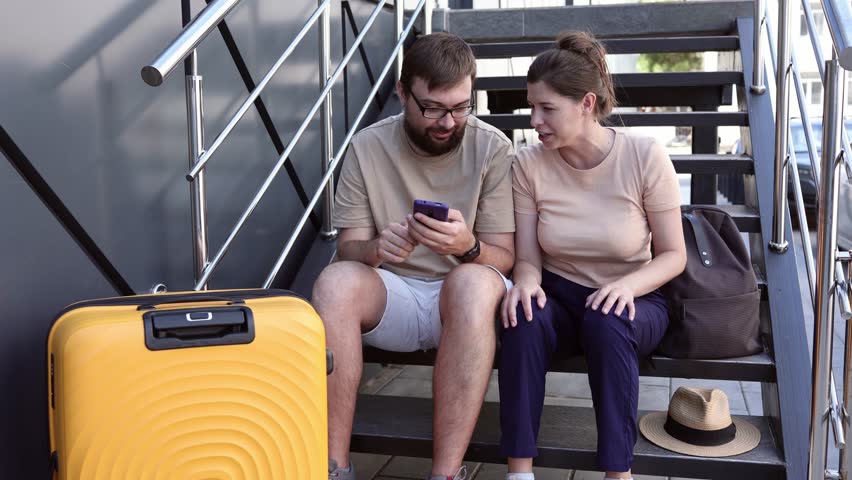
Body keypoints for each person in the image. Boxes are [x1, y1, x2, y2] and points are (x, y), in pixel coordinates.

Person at [313, 32, 516, 480]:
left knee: (470, 282)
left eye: (461, 106)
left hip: (466, 297)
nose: (447, 121)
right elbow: (349, 248)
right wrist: (376, 248)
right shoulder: (368, 146)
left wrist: (467, 246)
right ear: (403, 93)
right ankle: (334, 468)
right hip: (394, 291)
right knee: (334, 282)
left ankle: (445, 475)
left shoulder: (494, 147)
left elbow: (504, 259)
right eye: (432, 108)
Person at [498, 31, 687, 480]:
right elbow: (527, 259)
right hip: (560, 293)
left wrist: (626, 286)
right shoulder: (528, 164)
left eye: (547, 109)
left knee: (608, 320)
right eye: (531, 107)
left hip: (636, 296)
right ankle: (519, 471)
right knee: (522, 316)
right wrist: (525, 282)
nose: (534, 120)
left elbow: (674, 255)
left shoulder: (644, 156)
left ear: (585, 103)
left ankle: (617, 472)